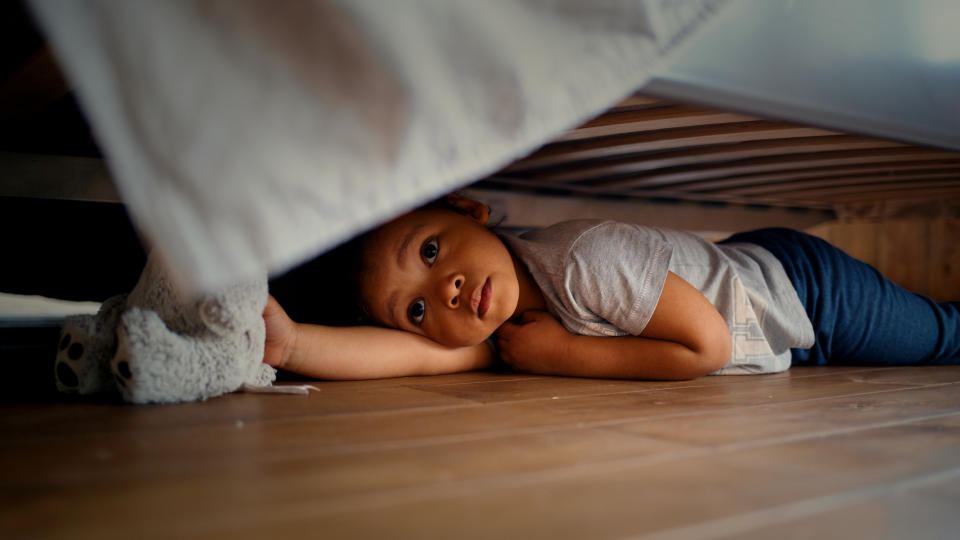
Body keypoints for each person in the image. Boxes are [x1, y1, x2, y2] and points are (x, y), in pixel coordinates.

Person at [262, 194, 960, 381]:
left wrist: (567, 357)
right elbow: (407, 357)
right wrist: (289, 345)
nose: (445, 289)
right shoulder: (495, 328)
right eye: (413, 308)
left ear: (470, 210)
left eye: (433, 249)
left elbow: (708, 345)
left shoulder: (581, 259)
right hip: (787, 346)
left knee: (938, 340)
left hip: (804, 291)